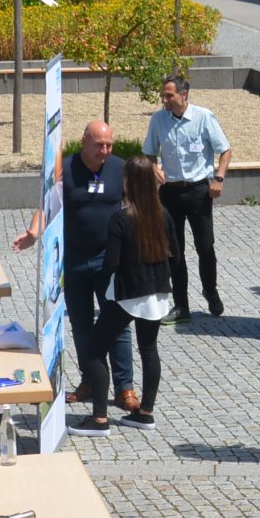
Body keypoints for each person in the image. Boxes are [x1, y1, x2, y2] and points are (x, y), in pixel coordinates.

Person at [15, 120, 137, 414]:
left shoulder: (119, 169)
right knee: (82, 326)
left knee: (118, 326)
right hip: (74, 261)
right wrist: (34, 232)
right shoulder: (65, 170)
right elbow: (47, 206)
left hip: (110, 260)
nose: (105, 151)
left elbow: (134, 205)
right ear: (84, 141)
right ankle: (91, 381)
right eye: (99, 145)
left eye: (109, 145)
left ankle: (125, 387)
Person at [87, 155, 174, 430]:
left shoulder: (121, 218)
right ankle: (145, 412)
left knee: (94, 350)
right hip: (157, 292)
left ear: (128, 183)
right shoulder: (164, 214)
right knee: (149, 349)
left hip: (128, 293)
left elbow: (111, 263)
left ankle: (99, 418)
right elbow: (178, 256)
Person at [142, 73, 231, 324]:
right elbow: (149, 153)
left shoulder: (203, 117)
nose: (164, 100)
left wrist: (219, 178)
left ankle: (210, 291)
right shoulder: (158, 120)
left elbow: (225, 150)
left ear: (184, 95)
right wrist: (154, 169)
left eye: (169, 95)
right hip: (170, 193)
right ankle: (181, 306)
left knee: (205, 246)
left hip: (198, 192)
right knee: (174, 251)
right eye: (163, 95)